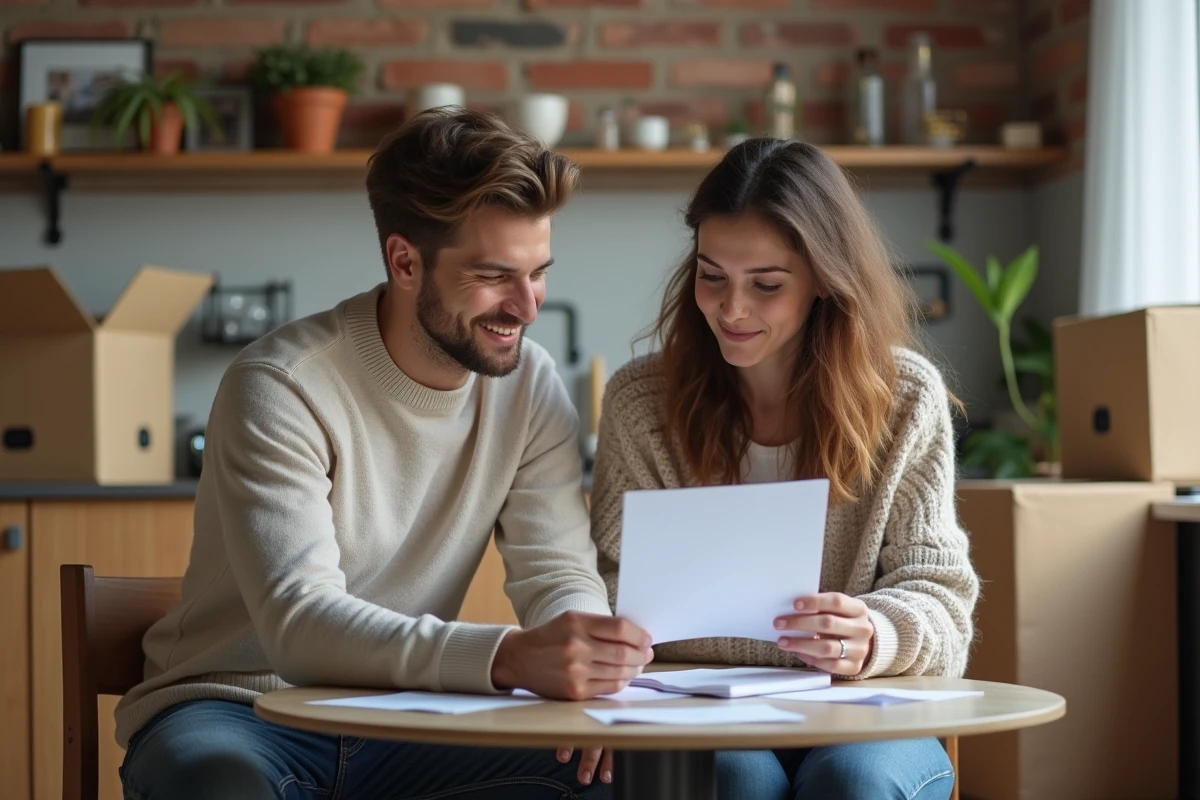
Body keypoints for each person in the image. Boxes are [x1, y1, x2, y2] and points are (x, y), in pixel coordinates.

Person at [115, 108, 653, 800]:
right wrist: (510, 656)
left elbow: (555, 573)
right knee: (220, 786)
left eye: (538, 272)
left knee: (624, 777)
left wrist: (586, 665)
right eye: (494, 276)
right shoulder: (282, 386)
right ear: (404, 261)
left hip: (411, 720)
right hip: (237, 709)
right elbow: (301, 626)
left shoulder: (530, 385)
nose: (526, 306)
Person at [587, 138, 981, 800]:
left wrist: (874, 635)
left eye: (766, 285)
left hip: (864, 712)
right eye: (712, 276)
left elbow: (942, 599)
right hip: (698, 711)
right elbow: (604, 589)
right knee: (732, 777)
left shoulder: (905, 398)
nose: (732, 309)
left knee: (853, 780)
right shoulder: (640, 403)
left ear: (826, 278)